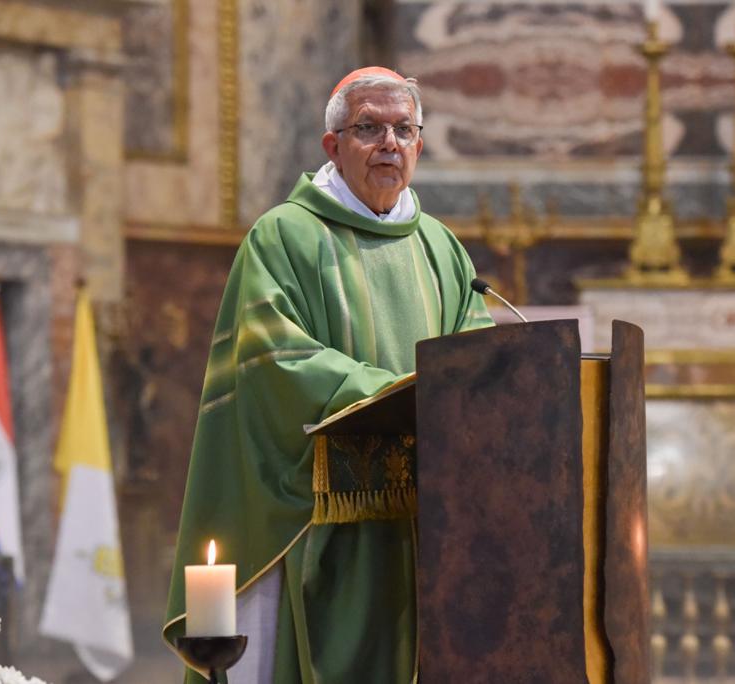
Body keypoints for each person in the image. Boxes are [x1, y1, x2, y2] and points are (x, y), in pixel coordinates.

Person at [162, 67, 493, 683]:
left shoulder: (441, 248)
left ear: (420, 144)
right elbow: (275, 358)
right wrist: (390, 392)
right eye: (368, 128)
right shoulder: (284, 235)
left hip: (421, 521)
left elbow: (474, 359)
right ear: (332, 146)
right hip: (316, 518)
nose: (388, 143)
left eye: (403, 129)